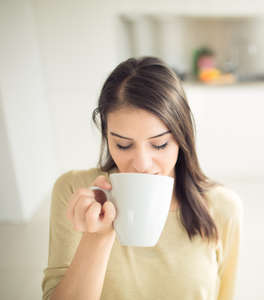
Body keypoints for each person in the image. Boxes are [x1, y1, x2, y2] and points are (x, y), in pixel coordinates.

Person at [41, 57, 243, 300]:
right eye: (123, 145)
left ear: (181, 137)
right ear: (107, 137)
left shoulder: (222, 208)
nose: (142, 165)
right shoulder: (74, 190)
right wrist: (96, 238)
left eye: (159, 144)